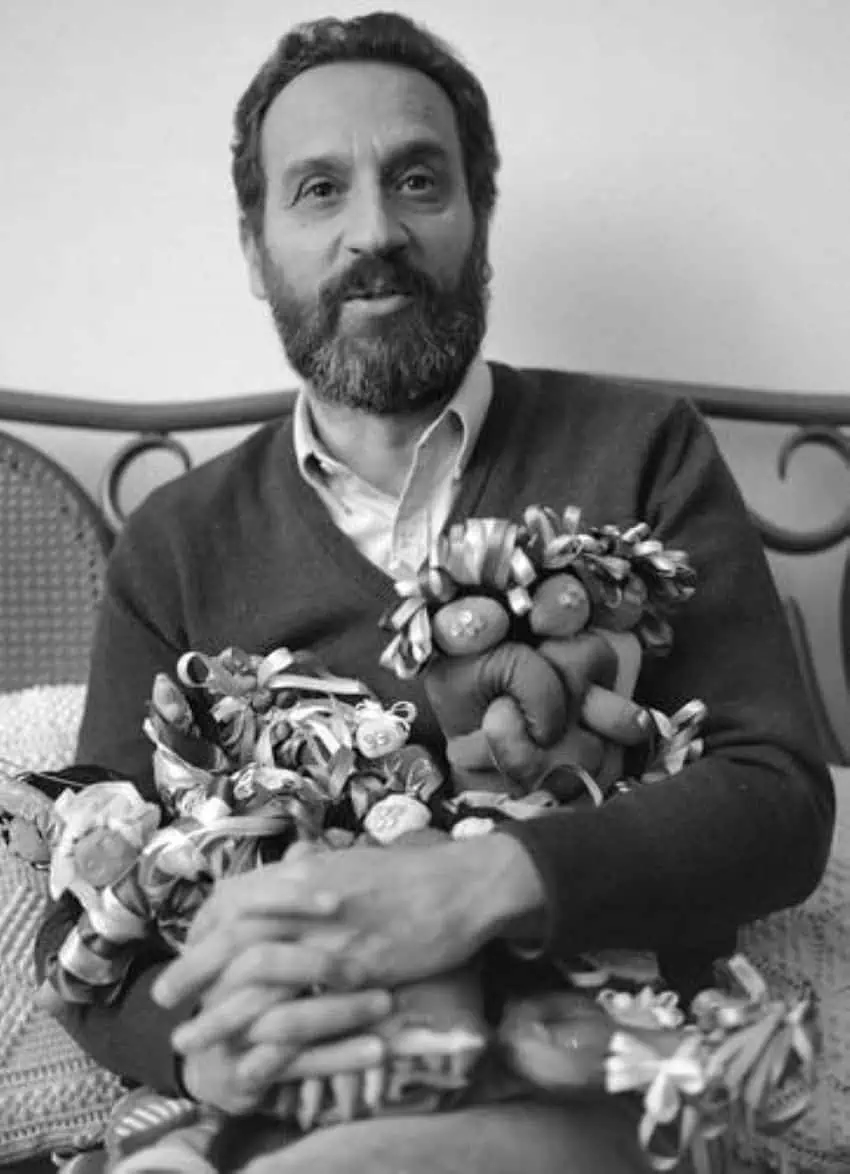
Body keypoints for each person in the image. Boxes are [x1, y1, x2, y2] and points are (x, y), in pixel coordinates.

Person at [35, 11, 834, 1173]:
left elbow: (778, 803)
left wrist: (478, 884)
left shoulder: (641, 448)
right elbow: (84, 910)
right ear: (256, 251)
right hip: (273, 1106)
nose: (375, 231)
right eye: (318, 190)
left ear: (478, 225)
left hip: (598, 1078)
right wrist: (196, 1054)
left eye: (418, 179)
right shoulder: (175, 542)